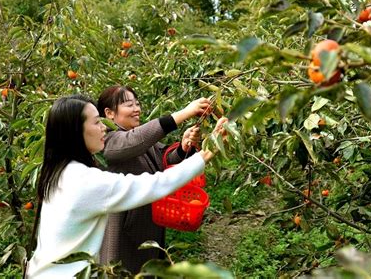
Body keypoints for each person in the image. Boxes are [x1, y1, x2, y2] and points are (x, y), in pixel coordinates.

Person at [26, 94, 226, 278]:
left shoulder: (59, 171)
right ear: (76, 131)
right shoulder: (84, 181)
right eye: (97, 123)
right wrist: (207, 153)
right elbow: (156, 184)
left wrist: (185, 149)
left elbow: (160, 158)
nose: (103, 128)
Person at [97, 85, 210, 273]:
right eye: (129, 105)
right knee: (120, 270)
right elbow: (135, 141)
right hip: (122, 230)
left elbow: (163, 159)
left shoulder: (138, 138)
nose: (137, 109)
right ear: (109, 113)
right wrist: (184, 113)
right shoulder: (106, 140)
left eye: (137, 104)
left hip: (146, 226)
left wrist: (183, 147)